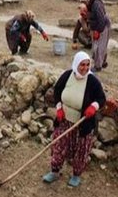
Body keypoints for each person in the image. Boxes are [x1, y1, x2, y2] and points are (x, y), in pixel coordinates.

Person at [43, 51, 106, 187]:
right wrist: (59, 108)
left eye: (87, 65)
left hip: (82, 123)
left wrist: (93, 107)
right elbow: (57, 92)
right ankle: (54, 171)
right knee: (59, 145)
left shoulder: (92, 81)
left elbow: (101, 98)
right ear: (76, 64)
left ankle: (76, 175)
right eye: (82, 65)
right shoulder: (67, 75)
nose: (85, 68)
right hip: (64, 120)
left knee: (81, 150)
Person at [80, 0, 111, 72]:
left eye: (84, 1)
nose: (84, 3)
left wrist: (98, 30)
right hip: (97, 27)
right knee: (97, 46)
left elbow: (102, 19)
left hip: (103, 26)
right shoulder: (91, 5)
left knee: (99, 47)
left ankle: (98, 66)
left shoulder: (96, 5)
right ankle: (102, 61)